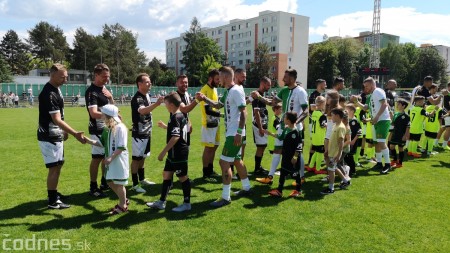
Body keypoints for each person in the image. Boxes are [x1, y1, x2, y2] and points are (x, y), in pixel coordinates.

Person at [196, 66, 252, 208]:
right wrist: (204, 98)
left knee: (223, 162)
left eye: (220, 77)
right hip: (233, 132)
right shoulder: (228, 92)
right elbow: (218, 105)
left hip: (234, 133)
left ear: (226, 77)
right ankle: (246, 187)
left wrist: (239, 132)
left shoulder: (236, 90)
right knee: (238, 160)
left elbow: (244, 113)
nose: (218, 80)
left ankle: (225, 197)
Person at [37, 64, 86, 209]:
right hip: (49, 137)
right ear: (52, 75)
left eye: (66, 76)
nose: (65, 79)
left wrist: (63, 131)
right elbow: (56, 119)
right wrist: (75, 133)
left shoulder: (56, 89)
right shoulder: (49, 93)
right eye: (62, 77)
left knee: (58, 165)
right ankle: (52, 201)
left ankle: (55, 194)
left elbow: (60, 118)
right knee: (53, 168)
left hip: (55, 135)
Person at [254, 69, 308, 182]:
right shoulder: (283, 90)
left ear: (292, 78)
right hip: (283, 126)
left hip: (294, 129)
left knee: (297, 153)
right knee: (277, 150)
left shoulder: (301, 91)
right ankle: (270, 177)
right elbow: (272, 103)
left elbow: (306, 111)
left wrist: (294, 123)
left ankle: (301, 177)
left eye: (286, 77)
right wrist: (259, 97)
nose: (283, 79)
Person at [146, 92, 192, 212]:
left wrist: (163, 152)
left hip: (179, 153)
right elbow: (181, 131)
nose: (165, 105)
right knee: (166, 175)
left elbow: (176, 137)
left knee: (182, 177)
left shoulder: (176, 117)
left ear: (171, 104)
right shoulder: (180, 115)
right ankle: (161, 202)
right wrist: (166, 127)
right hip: (173, 154)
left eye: (165, 103)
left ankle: (187, 204)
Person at [85, 104, 130, 215]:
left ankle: (122, 205)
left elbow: (121, 146)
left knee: (119, 183)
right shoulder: (107, 129)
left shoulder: (120, 128)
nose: (101, 116)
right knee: (109, 181)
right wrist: (87, 140)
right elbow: (101, 143)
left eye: (103, 114)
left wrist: (110, 158)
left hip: (118, 160)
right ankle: (123, 199)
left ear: (108, 116)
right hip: (111, 159)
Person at [130, 73, 163, 193]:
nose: (150, 84)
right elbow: (142, 111)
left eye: (150, 81)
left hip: (147, 132)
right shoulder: (137, 98)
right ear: (140, 84)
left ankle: (142, 179)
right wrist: (157, 104)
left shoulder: (146, 96)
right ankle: (134, 184)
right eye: (147, 82)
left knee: (143, 157)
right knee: (136, 159)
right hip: (139, 133)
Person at [351, 77, 392, 174]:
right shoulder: (370, 95)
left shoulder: (378, 91)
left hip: (383, 120)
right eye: (365, 86)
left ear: (373, 84)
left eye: (367, 86)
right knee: (376, 142)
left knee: (381, 142)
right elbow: (365, 108)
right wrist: (357, 102)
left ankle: (387, 164)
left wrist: (377, 116)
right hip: (376, 121)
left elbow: (385, 104)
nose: (366, 88)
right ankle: (379, 163)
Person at [85, 63, 114, 197]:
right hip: (97, 130)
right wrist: (111, 116)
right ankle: (93, 186)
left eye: (107, 76)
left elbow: (112, 108)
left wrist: (111, 97)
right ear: (96, 75)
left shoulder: (104, 89)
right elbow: (93, 113)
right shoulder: (92, 91)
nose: (106, 79)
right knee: (97, 158)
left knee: (106, 157)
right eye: (103, 76)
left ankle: (104, 182)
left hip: (107, 129)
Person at [266, 112, 303, 197]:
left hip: (292, 157)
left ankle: (298, 190)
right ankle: (279, 191)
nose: (283, 119)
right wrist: (270, 133)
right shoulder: (286, 129)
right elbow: (280, 137)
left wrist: (295, 157)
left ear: (289, 121)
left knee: (295, 174)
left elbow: (299, 145)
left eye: (285, 118)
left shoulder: (295, 132)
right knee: (283, 172)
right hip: (286, 155)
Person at [320, 108, 351, 195]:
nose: (331, 117)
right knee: (333, 168)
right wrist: (327, 151)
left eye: (332, 115)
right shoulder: (335, 125)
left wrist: (339, 154)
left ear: (337, 116)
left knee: (331, 170)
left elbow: (341, 142)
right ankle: (345, 180)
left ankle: (331, 188)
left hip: (334, 153)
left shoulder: (341, 127)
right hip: (331, 152)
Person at [200, 69, 222, 181]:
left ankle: (210, 169)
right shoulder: (204, 90)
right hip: (208, 124)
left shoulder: (215, 89)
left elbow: (216, 105)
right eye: (217, 79)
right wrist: (222, 114)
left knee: (215, 146)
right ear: (210, 78)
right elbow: (208, 110)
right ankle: (206, 173)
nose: (219, 81)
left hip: (216, 123)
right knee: (208, 148)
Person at [250, 77, 272, 175]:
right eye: (268, 85)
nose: (269, 87)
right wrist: (260, 128)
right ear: (263, 84)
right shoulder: (256, 96)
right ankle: (257, 169)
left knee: (263, 146)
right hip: (258, 125)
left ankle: (259, 167)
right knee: (260, 146)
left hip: (263, 125)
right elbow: (256, 113)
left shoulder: (261, 95)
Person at [256, 103, 283, 184]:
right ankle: (277, 173)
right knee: (280, 157)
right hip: (276, 142)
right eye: (280, 109)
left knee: (279, 157)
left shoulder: (274, 117)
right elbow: (278, 130)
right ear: (275, 110)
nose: (281, 110)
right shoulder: (276, 119)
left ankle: (272, 175)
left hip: (274, 141)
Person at [306, 79, 326, 169]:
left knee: (315, 143)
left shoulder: (320, 95)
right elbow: (311, 108)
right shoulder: (314, 95)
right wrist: (321, 113)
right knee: (314, 143)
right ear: (319, 84)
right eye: (324, 84)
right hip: (315, 121)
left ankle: (313, 162)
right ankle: (311, 161)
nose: (325, 86)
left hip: (317, 119)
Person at [388, 99, 410, 168]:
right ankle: (394, 160)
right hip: (395, 133)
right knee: (391, 146)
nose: (397, 105)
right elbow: (393, 123)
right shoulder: (396, 114)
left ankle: (400, 163)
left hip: (402, 134)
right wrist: (391, 116)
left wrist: (405, 135)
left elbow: (408, 126)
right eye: (397, 104)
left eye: (399, 104)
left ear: (403, 106)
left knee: (400, 148)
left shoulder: (406, 116)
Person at [423, 84, 444, 156]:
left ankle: (423, 149)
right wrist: (441, 125)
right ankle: (429, 151)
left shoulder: (427, 107)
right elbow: (440, 118)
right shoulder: (439, 109)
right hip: (433, 127)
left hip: (427, 125)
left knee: (426, 137)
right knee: (431, 138)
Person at [345, 103, 362, 176]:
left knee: (350, 156)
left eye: (346, 110)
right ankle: (348, 170)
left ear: (351, 111)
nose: (345, 111)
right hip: (347, 141)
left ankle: (353, 171)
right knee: (346, 156)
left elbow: (359, 132)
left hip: (352, 142)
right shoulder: (348, 120)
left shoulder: (354, 121)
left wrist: (353, 141)